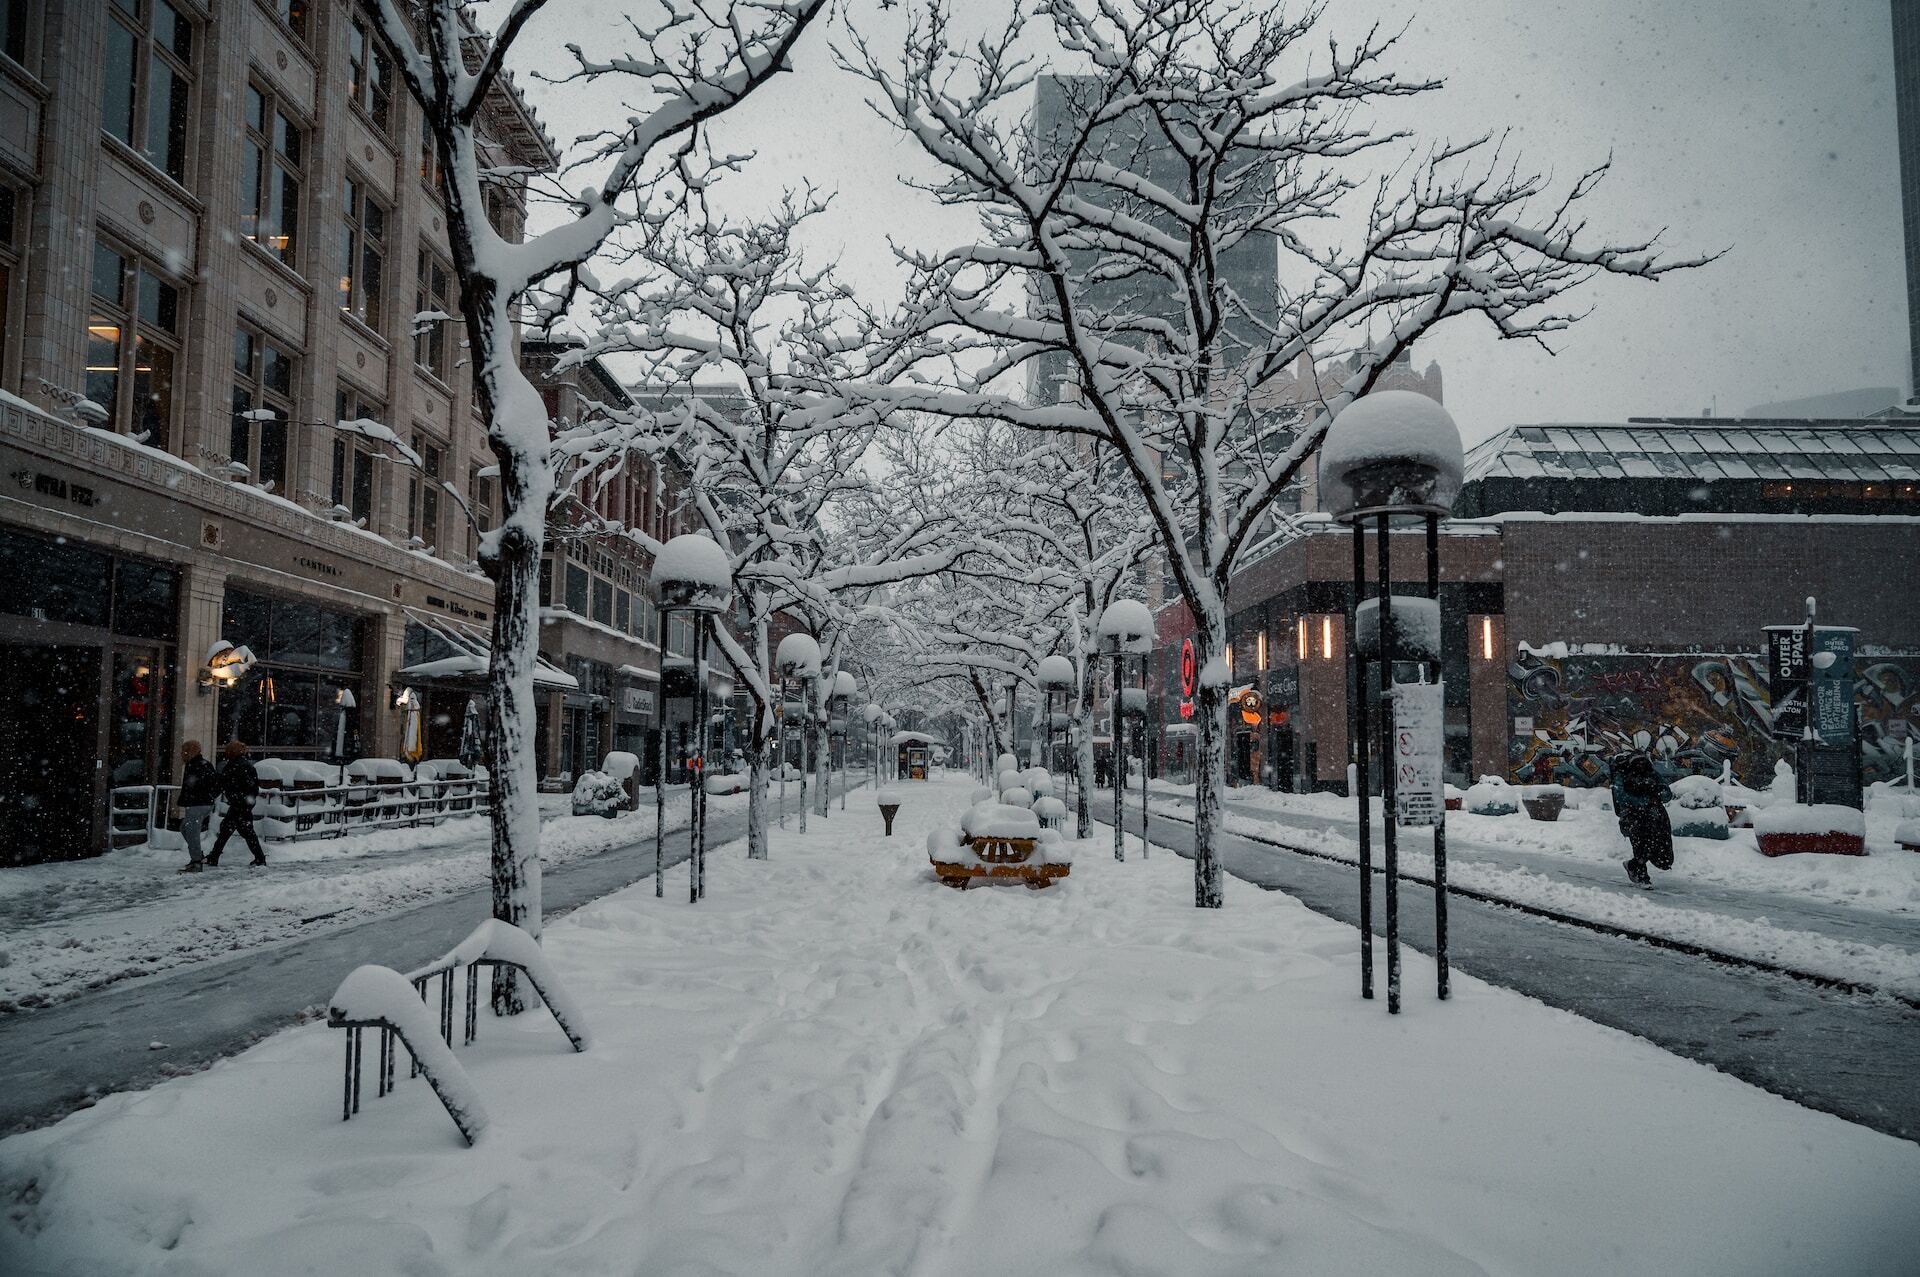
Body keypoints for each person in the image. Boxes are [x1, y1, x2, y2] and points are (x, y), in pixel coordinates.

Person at [1610, 752, 1673, 887]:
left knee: (1661, 849)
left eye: (1643, 763)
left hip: (1655, 816)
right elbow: (1621, 796)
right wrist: (1645, 801)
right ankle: (1641, 875)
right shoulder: (1623, 775)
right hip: (1632, 816)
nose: (1640, 766)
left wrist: (1659, 794)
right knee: (1641, 844)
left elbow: (1667, 792)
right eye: (1637, 763)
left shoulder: (1652, 774)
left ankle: (1634, 864)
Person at [207, 739, 267, 867]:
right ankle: (259, 858)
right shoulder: (248, 766)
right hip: (244, 804)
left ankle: (214, 856)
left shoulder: (231, 766)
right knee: (241, 830)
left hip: (237, 804)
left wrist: (211, 794)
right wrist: (248, 800)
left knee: (230, 830)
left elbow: (223, 784)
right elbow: (254, 787)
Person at [175, 741, 219, 873]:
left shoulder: (194, 765)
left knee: (191, 832)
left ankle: (196, 861)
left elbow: (191, 786)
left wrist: (189, 798)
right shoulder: (204, 764)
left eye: (184, 751)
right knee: (186, 829)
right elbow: (215, 782)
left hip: (197, 804)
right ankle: (197, 857)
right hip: (203, 803)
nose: (182, 753)